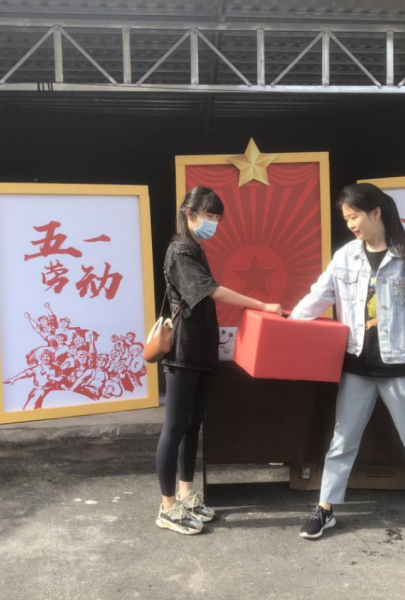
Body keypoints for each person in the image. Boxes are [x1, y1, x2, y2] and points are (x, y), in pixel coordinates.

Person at [289, 183, 405, 548]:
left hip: (402, 368)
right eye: (346, 218)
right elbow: (319, 295)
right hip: (357, 368)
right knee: (342, 440)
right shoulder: (346, 256)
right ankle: (325, 508)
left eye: (354, 216)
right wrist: (288, 325)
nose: (350, 224)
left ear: (376, 212)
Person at [155, 186, 282, 535]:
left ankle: (186, 496)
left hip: (201, 350)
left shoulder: (196, 249)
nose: (213, 222)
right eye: (209, 215)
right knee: (174, 427)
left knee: (192, 425)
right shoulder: (180, 250)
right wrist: (261, 304)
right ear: (190, 214)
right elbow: (211, 291)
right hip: (183, 352)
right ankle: (167, 507)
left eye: (217, 217)